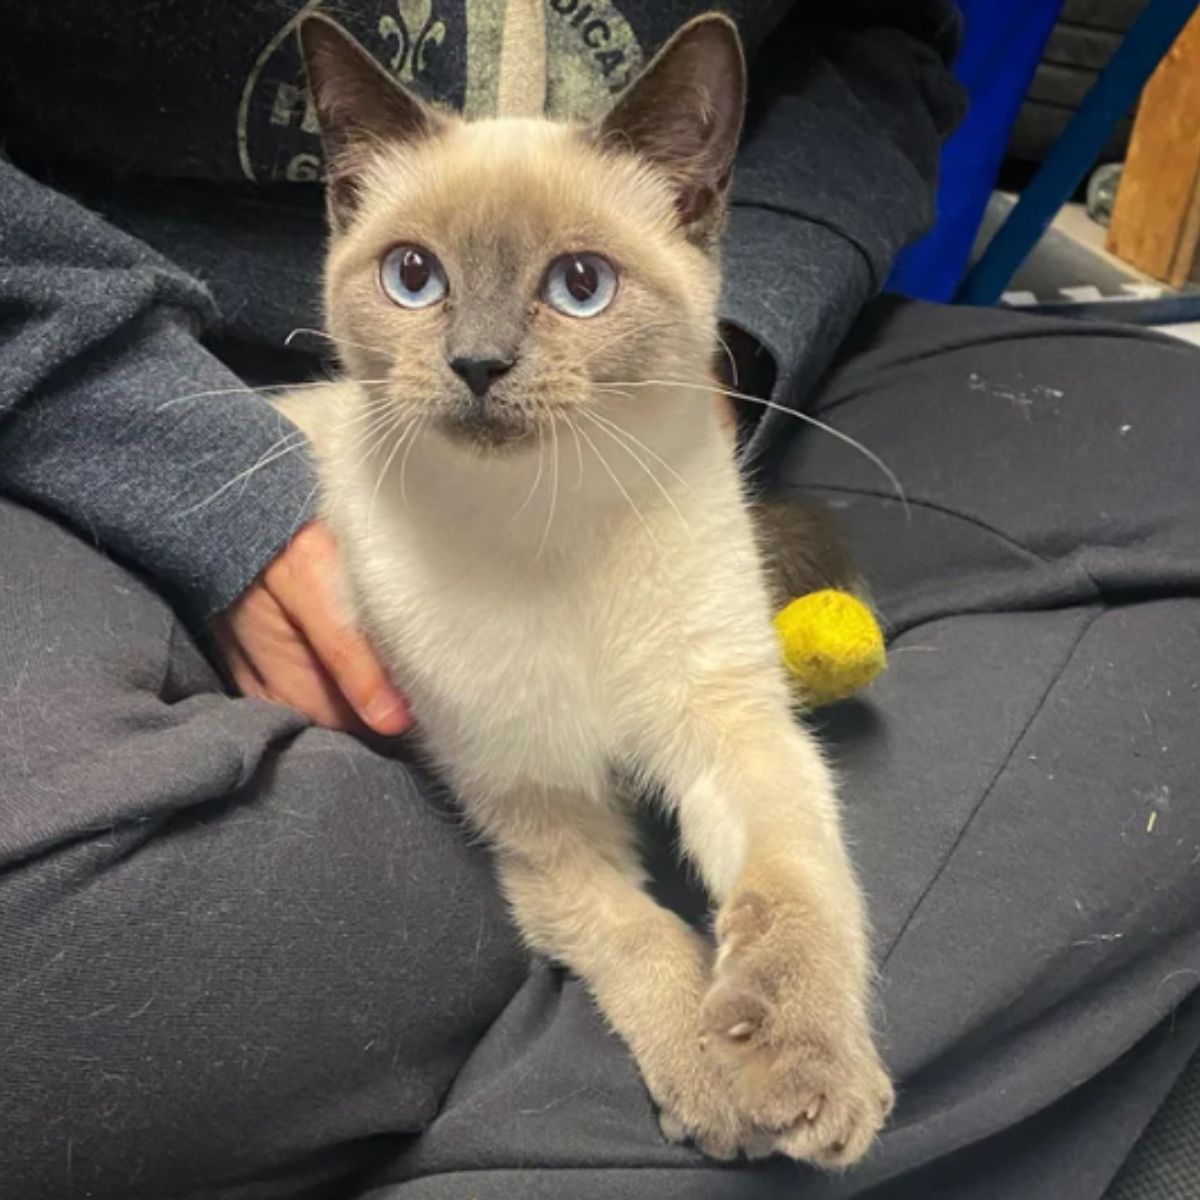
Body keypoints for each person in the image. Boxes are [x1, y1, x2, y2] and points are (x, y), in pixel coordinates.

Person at [0, 3, 1196, 1198]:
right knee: (62, 982)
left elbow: (873, 54)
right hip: (132, 401)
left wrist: (802, 947)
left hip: (685, 391)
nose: (478, 351)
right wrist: (653, 982)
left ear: (692, 204)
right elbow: (549, 844)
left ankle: (477, 1092)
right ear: (347, 207)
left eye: (571, 281)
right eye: (414, 276)